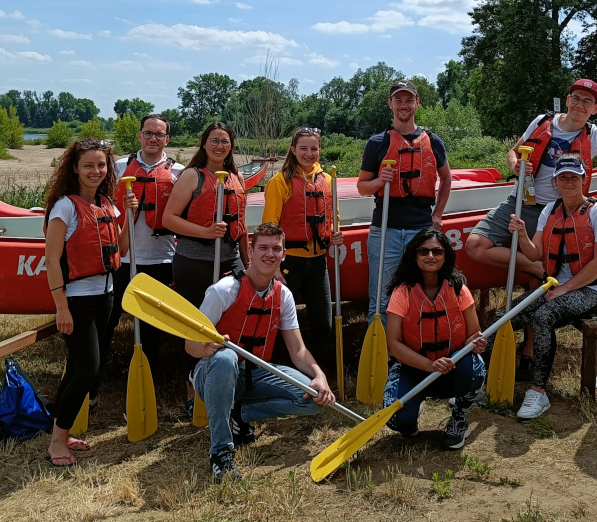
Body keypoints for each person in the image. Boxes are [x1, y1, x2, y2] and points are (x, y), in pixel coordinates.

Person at [187, 222, 336, 483]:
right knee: (225, 357)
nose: (270, 254)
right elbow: (189, 345)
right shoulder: (224, 290)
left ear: (283, 254)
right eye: (263, 248)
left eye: (276, 249)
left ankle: (240, 413)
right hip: (214, 373)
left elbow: (298, 350)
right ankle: (221, 453)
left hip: (255, 373)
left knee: (312, 399)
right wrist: (205, 347)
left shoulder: (284, 295)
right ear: (251, 252)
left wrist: (319, 376)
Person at [465, 78, 597, 280]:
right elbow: (514, 152)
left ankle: (540, 278)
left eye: (587, 102)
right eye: (576, 99)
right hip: (518, 201)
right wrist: (514, 165)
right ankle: (536, 267)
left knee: (545, 273)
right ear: (568, 100)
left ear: (595, 108)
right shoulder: (542, 121)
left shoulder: (596, 136)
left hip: (553, 211)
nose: (580, 105)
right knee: (475, 246)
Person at [42, 137, 137, 467]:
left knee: (79, 368)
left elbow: (121, 250)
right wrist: (61, 307)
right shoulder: (64, 207)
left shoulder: (108, 205)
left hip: (106, 297)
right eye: (88, 165)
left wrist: (128, 216)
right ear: (75, 168)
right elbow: (52, 261)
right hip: (78, 301)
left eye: (101, 165)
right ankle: (56, 442)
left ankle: (60, 432)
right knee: (87, 371)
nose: (96, 171)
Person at [501, 157, 597, 419]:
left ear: (585, 180)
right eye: (563, 178)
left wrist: (565, 289)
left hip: (591, 291)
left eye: (575, 177)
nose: (569, 182)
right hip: (553, 287)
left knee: (543, 316)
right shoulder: (549, 210)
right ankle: (487, 383)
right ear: (555, 182)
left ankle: (538, 392)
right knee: (501, 318)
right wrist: (522, 234)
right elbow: (535, 254)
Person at [95, 113, 183, 409]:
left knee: (150, 329)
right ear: (139, 136)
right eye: (148, 133)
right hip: (123, 258)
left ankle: (147, 385)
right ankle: (91, 385)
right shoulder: (117, 168)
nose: (153, 139)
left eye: (159, 135)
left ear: (167, 139)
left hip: (161, 258)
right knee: (105, 324)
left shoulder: (178, 172)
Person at [162, 122, 249, 413]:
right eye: (214, 140)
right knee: (195, 327)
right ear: (204, 144)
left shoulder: (236, 178)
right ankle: (192, 388)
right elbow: (169, 219)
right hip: (194, 262)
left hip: (229, 260)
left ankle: (226, 381)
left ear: (231, 145)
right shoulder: (191, 176)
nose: (219, 146)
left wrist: (248, 265)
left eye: (224, 141)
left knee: (227, 324)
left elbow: (244, 228)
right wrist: (205, 232)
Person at [382, 229, 487, 449]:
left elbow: (473, 334)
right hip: (415, 368)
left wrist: (476, 344)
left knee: (474, 365)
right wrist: (430, 365)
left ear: (445, 255)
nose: (431, 256)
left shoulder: (459, 289)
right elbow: (394, 345)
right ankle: (412, 409)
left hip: (453, 365)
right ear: (415, 255)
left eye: (437, 251)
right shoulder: (402, 292)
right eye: (424, 251)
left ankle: (459, 417)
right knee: (398, 422)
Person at [357, 79, 451, 323]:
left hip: (421, 229)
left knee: (421, 293)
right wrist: (380, 181)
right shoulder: (377, 143)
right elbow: (362, 187)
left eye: (409, 99)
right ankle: (383, 358)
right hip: (385, 230)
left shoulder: (433, 141)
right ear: (390, 104)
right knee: (381, 298)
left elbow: (446, 179)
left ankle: (414, 355)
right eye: (398, 100)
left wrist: (438, 215)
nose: (403, 105)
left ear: (417, 103)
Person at [262, 127, 344, 365]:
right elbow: (269, 227)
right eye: (304, 148)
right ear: (293, 150)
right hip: (289, 264)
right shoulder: (281, 182)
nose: (309, 153)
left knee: (323, 323)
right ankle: (283, 373)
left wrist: (334, 235)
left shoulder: (327, 180)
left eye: (314, 148)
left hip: (318, 263)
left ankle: (311, 371)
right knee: (279, 324)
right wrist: (274, 267)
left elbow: (333, 218)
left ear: (319, 150)